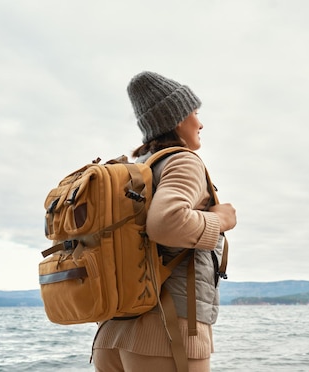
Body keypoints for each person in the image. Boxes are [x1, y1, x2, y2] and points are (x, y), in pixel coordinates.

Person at [91, 71, 237, 372]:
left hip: (113, 330)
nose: (200, 122)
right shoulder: (183, 160)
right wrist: (219, 220)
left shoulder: (137, 170)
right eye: (195, 113)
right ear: (177, 118)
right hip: (167, 332)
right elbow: (165, 224)